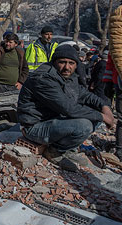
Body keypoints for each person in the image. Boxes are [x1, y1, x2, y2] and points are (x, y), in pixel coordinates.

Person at [17, 44, 115, 172]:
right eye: (62, 62)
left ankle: (66, 149)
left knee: (93, 117)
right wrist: (103, 117)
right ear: (54, 62)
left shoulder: (67, 76)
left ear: (76, 64)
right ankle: (54, 152)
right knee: (84, 124)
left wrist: (104, 106)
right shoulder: (44, 78)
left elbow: (84, 94)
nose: (67, 67)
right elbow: (68, 108)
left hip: (52, 121)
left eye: (71, 63)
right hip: (34, 126)